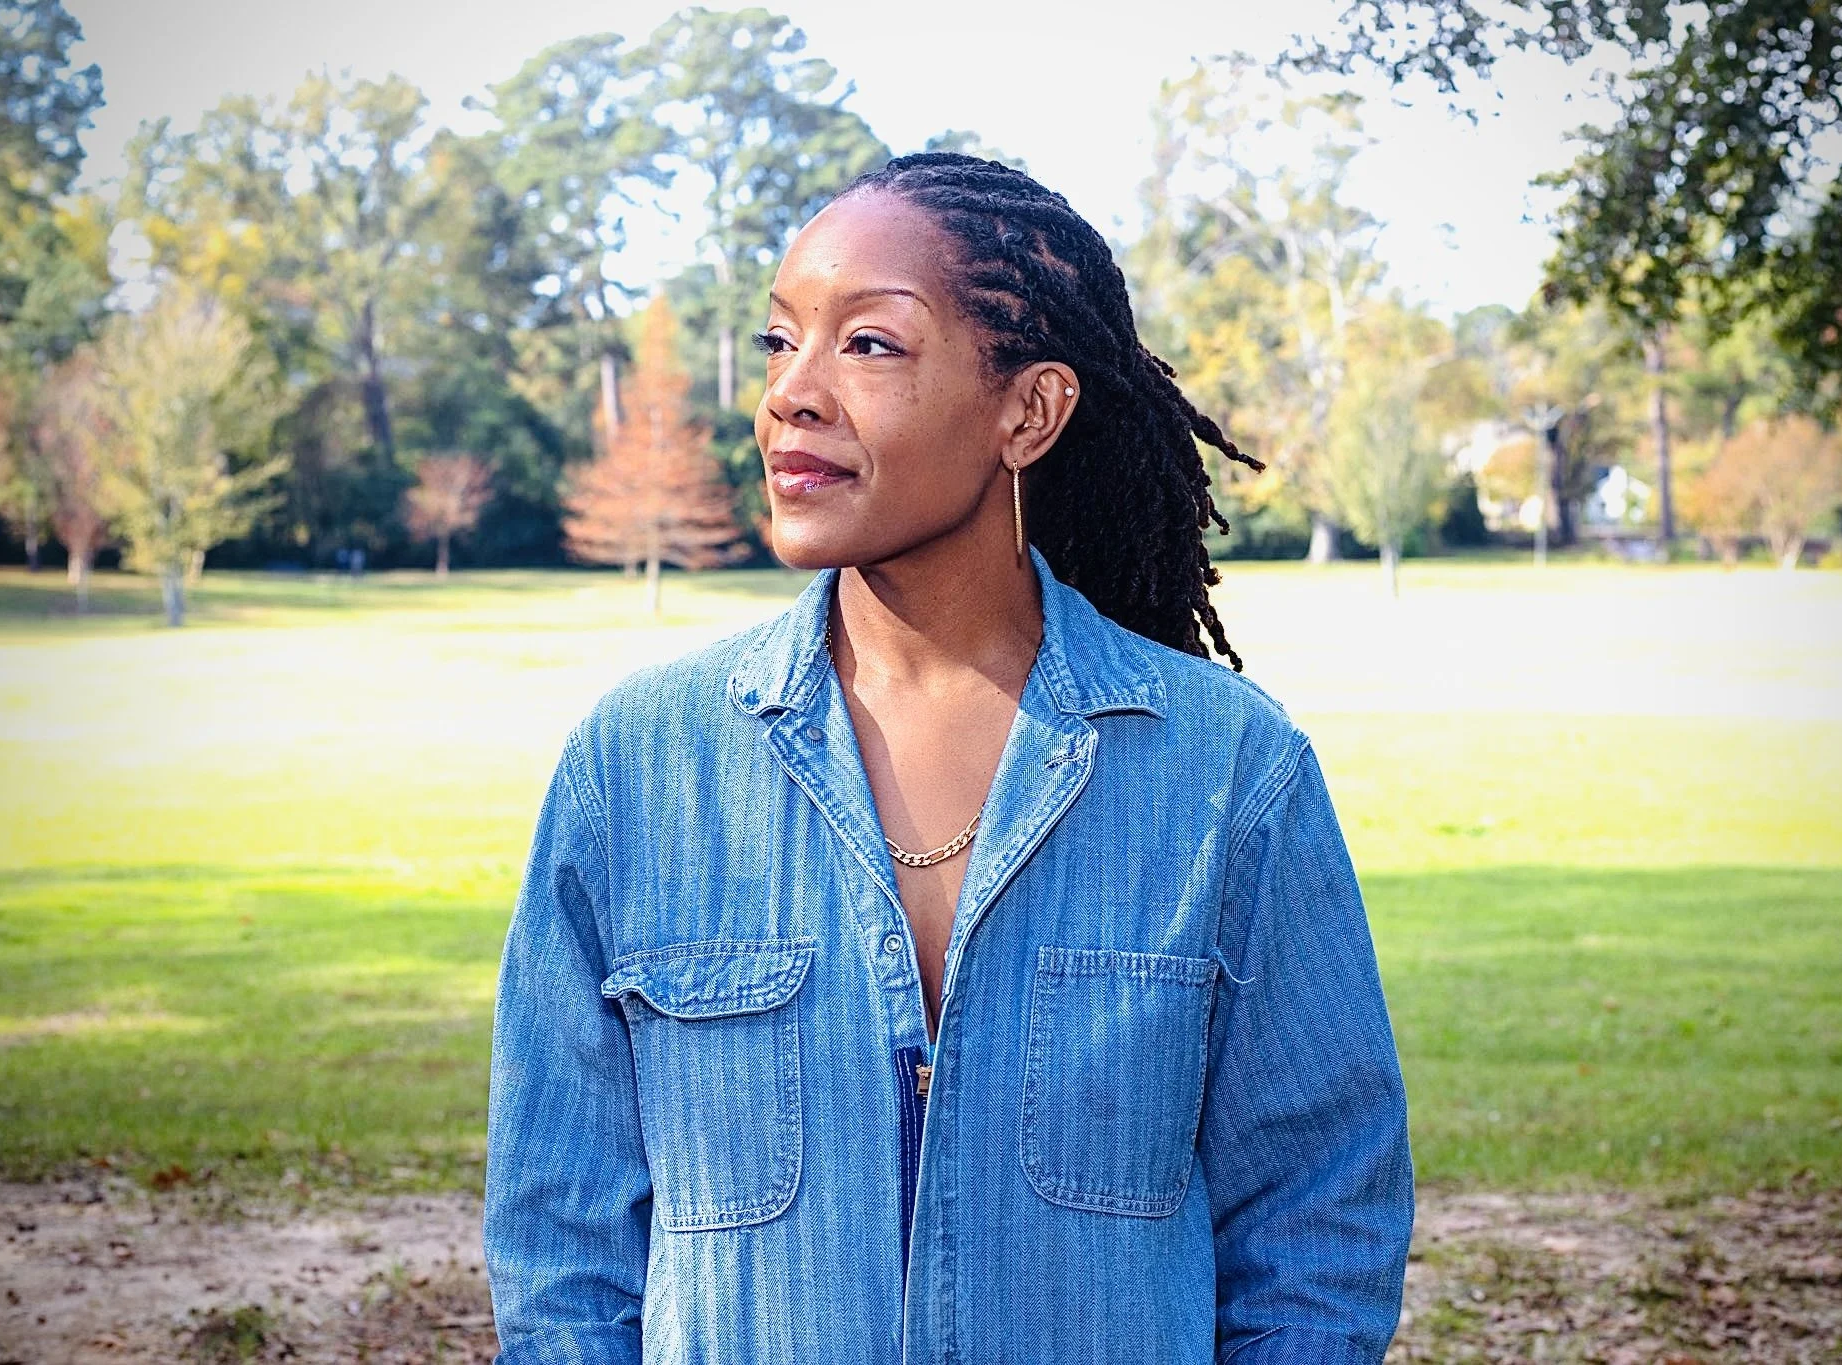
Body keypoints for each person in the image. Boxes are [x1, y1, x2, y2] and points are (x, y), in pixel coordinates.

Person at [483, 152, 1413, 1364]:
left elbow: (1316, 1233)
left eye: (867, 344)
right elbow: (560, 1256)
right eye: (779, 342)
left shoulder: (1229, 774)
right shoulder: (637, 768)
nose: (790, 395)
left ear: (1026, 412)